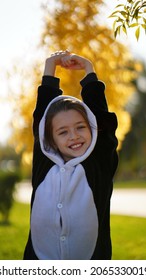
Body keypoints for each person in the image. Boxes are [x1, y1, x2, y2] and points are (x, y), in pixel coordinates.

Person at [23, 50, 118, 260]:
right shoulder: (44, 163)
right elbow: (41, 117)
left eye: (80, 127)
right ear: (50, 139)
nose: (74, 136)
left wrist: (88, 69)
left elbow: (102, 121)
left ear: (92, 129)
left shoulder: (98, 165)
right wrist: (50, 66)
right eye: (63, 132)